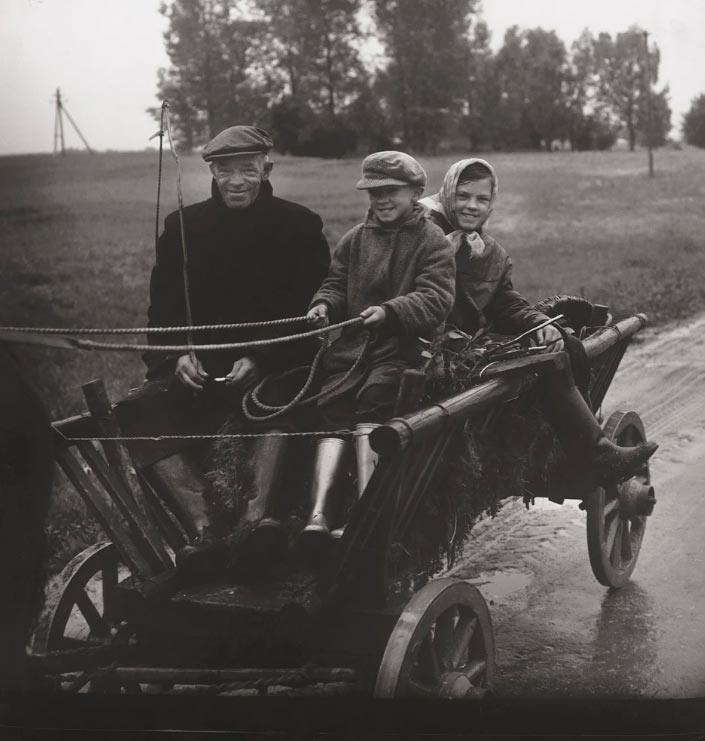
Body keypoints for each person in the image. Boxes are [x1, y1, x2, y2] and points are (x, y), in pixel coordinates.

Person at [141, 125, 330, 577]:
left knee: (278, 403)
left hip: (276, 366)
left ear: (267, 168)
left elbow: (309, 315)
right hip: (200, 372)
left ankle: (254, 528)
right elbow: (162, 309)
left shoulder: (299, 226)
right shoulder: (182, 228)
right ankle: (204, 532)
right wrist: (175, 357)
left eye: (248, 170)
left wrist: (263, 358)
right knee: (140, 413)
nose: (237, 181)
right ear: (212, 171)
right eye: (226, 171)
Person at [420, 157, 657, 493]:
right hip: (435, 343)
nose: (472, 206)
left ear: (492, 203)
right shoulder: (424, 238)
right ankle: (589, 452)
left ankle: (580, 450)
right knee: (547, 362)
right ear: (447, 194)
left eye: (482, 199)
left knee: (564, 345)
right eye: (463, 196)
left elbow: (505, 301)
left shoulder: (490, 253)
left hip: (470, 339)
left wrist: (541, 322)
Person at [303, 151, 455, 543]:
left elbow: (437, 299)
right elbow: (335, 283)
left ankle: (367, 512)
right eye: (373, 193)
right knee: (331, 405)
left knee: (376, 397)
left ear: (417, 192)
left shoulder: (432, 241)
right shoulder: (355, 239)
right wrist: (324, 305)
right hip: (352, 351)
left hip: (407, 350)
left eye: (391, 191)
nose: (381, 200)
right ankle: (319, 513)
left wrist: (390, 312)